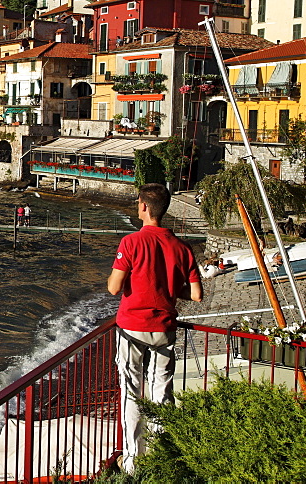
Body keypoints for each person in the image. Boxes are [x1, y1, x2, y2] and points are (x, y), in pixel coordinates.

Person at [107, 183, 202, 474]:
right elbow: (197, 294)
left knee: (131, 391)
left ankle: (135, 460)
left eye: (138, 203)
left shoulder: (131, 242)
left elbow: (113, 287)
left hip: (132, 327)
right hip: (165, 328)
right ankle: (162, 453)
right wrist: (167, 289)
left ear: (144, 206)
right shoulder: (181, 247)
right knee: (162, 390)